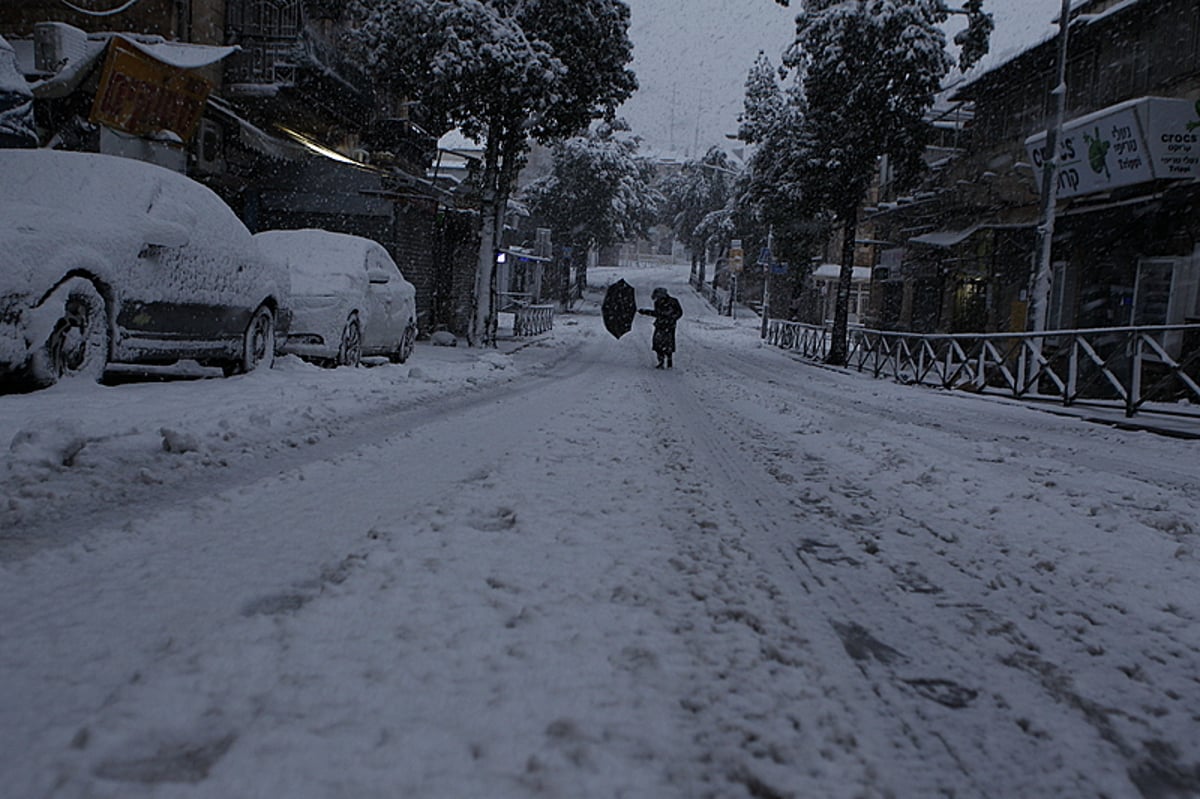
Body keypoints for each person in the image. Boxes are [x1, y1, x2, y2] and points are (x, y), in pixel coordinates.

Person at [638, 287, 683, 368]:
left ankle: (669, 359)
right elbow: (657, 313)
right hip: (661, 325)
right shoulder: (658, 303)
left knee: (667, 343)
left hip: (669, 325)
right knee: (658, 343)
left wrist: (672, 317)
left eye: (657, 296)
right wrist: (645, 312)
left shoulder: (673, 301)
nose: (657, 298)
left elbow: (679, 312)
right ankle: (661, 360)